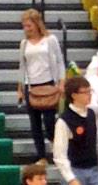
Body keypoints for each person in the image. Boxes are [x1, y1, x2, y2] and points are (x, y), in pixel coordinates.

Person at [17, 8, 65, 163]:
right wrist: (20, 87)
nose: (27, 29)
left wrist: (61, 81)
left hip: (49, 83)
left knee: (50, 121)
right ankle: (41, 155)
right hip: (31, 85)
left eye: (29, 25)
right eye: (24, 26)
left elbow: (59, 61)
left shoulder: (50, 40)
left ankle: (57, 150)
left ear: (37, 24)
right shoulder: (24, 43)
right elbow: (22, 66)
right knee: (35, 123)